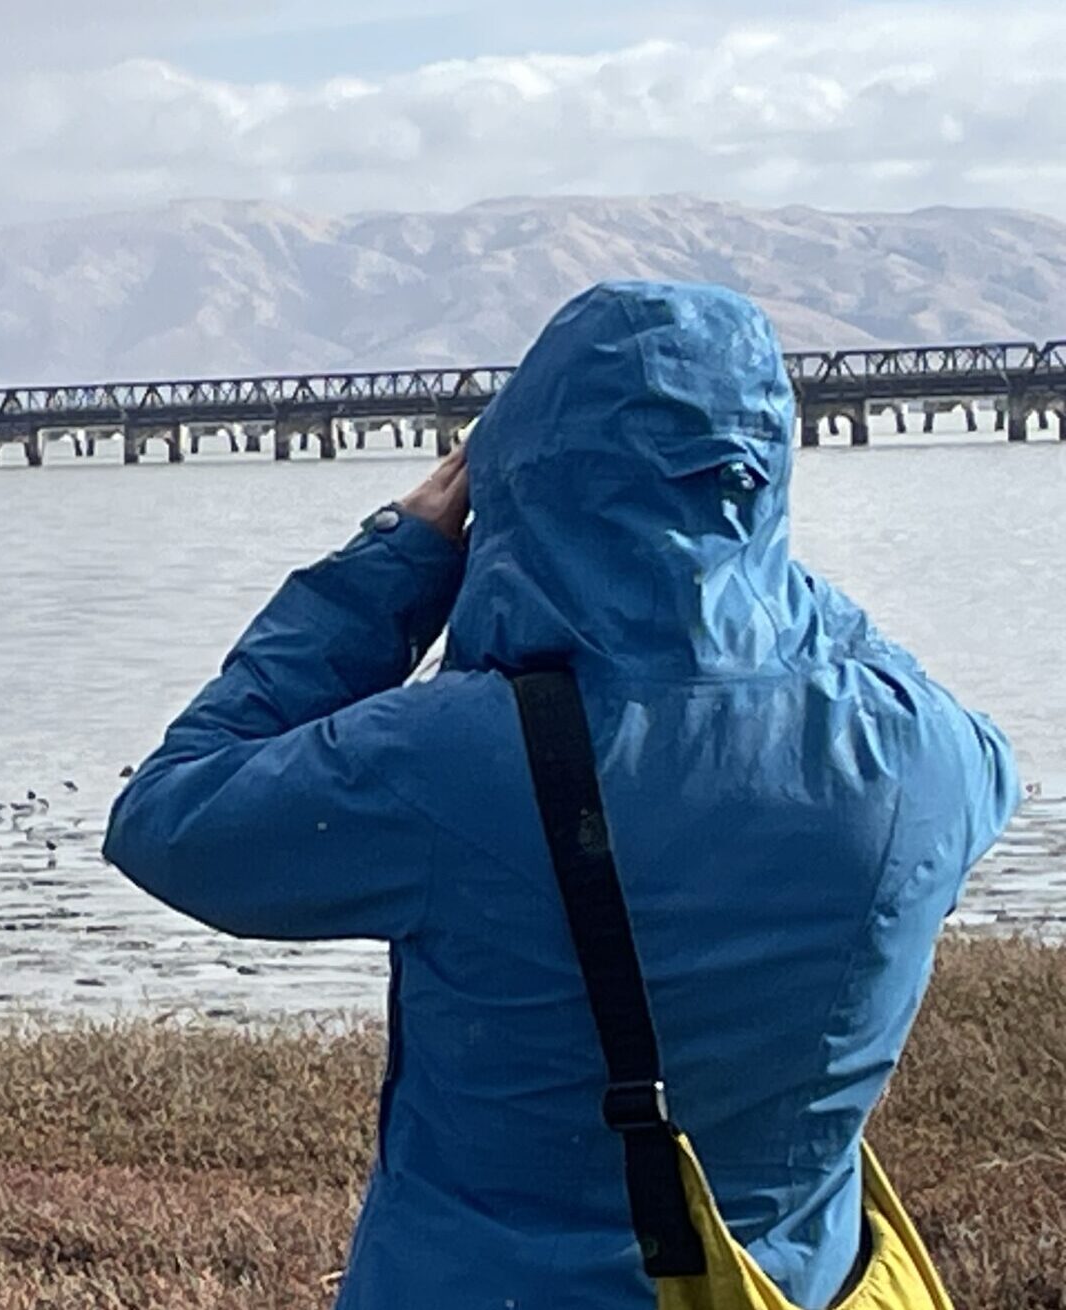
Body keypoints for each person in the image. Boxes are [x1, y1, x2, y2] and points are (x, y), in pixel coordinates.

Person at [103, 281, 1018, 1307]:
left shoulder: (448, 759)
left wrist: (395, 564)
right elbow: (949, 726)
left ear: (513, 476)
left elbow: (168, 817)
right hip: (796, 1284)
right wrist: (749, 589)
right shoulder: (918, 751)